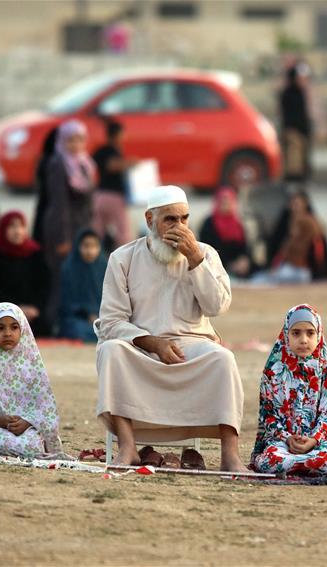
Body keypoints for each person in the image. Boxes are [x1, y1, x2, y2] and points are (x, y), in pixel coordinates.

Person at [95, 185, 247, 471]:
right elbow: (112, 322)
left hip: (191, 346)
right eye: (170, 220)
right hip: (140, 348)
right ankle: (128, 447)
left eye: (184, 219)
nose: (180, 227)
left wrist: (195, 261)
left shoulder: (205, 254)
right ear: (150, 220)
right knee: (111, 351)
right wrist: (153, 343)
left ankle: (230, 455)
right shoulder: (122, 258)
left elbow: (218, 307)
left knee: (223, 359)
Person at [250, 304, 327, 481]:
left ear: (319, 334)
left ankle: (296, 466)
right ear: (286, 335)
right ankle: (301, 466)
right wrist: (288, 438)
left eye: (310, 333)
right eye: (296, 333)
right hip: (281, 443)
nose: (304, 340)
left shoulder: (326, 370)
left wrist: (313, 440)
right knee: (269, 461)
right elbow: (269, 416)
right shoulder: (273, 371)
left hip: (317, 443)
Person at [0, 302, 63, 457]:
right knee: (4, 445)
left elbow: (44, 408)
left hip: (27, 428)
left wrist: (27, 422)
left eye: (14, 327)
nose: (8, 333)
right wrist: (0, 421)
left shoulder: (31, 363)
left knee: (32, 447)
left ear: (23, 330)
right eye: (0, 328)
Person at [42, 120, 97, 328]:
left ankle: (77, 321)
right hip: (62, 229)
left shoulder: (85, 164)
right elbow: (59, 205)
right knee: (60, 277)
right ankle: (55, 323)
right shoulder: (58, 164)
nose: (75, 145)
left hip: (81, 228)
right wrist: (63, 238)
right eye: (71, 140)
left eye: (80, 139)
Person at [0, 211, 51, 337]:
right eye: (12, 226)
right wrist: (16, 308)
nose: (17, 231)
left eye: (21, 226)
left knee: (43, 327)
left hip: (32, 312)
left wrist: (34, 307)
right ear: (3, 229)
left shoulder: (35, 253)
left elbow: (45, 285)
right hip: (1, 311)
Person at [255, 192, 327, 284]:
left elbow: (318, 250)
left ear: (305, 204)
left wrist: (319, 271)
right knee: (259, 277)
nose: (294, 207)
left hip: (300, 270)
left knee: (259, 280)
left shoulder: (310, 223)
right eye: (292, 204)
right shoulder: (287, 222)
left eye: (297, 204)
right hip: (287, 268)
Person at [92, 120, 136, 249]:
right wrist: (130, 163)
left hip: (99, 196)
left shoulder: (100, 150)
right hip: (113, 196)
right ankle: (124, 261)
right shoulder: (109, 151)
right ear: (118, 134)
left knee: (97, 230)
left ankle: (95, 255)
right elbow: (111, 166)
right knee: (123, 233)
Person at [59, 229, 107, 342]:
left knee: (113, 329)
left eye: (94, 246)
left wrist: (100, 316)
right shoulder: (69, 268)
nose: (90, 251)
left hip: (102, 318)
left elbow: (112, 299)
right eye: (86, 246)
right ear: (78, 247)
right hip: (77, 318)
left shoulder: (105, 267)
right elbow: (66, 302)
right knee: (77, 330)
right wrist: (87, 314)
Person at [198, 186, 253, 279]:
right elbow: (208, 251)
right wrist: (230, 265)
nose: (226, 205)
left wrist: (244, 260)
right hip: (215, 269)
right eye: (223, 202)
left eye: (229, 202)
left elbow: (245, 248)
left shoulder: (237, 223)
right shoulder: (209, 224)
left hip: (240, 270)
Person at [279, 61, 312, 185]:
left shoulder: (301, 93)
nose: (303, 81)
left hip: (302, 131)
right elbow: (289, 116)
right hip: (293, 131)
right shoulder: (288, 94)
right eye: (300, 78)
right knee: (294, 163)